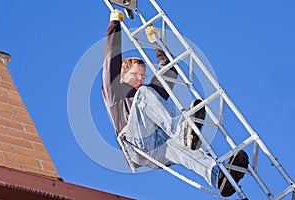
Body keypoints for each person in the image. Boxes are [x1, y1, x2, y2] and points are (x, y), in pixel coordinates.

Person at [102, 9, 249, 197]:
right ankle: (182, 131)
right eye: (135, 75)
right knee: (146, 94)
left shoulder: (149, 97)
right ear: (123, 76)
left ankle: (219, 176)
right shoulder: (115, 93)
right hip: (135, 143)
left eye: (143, 75)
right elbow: (110, 60)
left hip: (158, 145)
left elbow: (169, 73)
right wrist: (114, 25)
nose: (140, 79)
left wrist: (156, 43)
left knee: (187, 151)